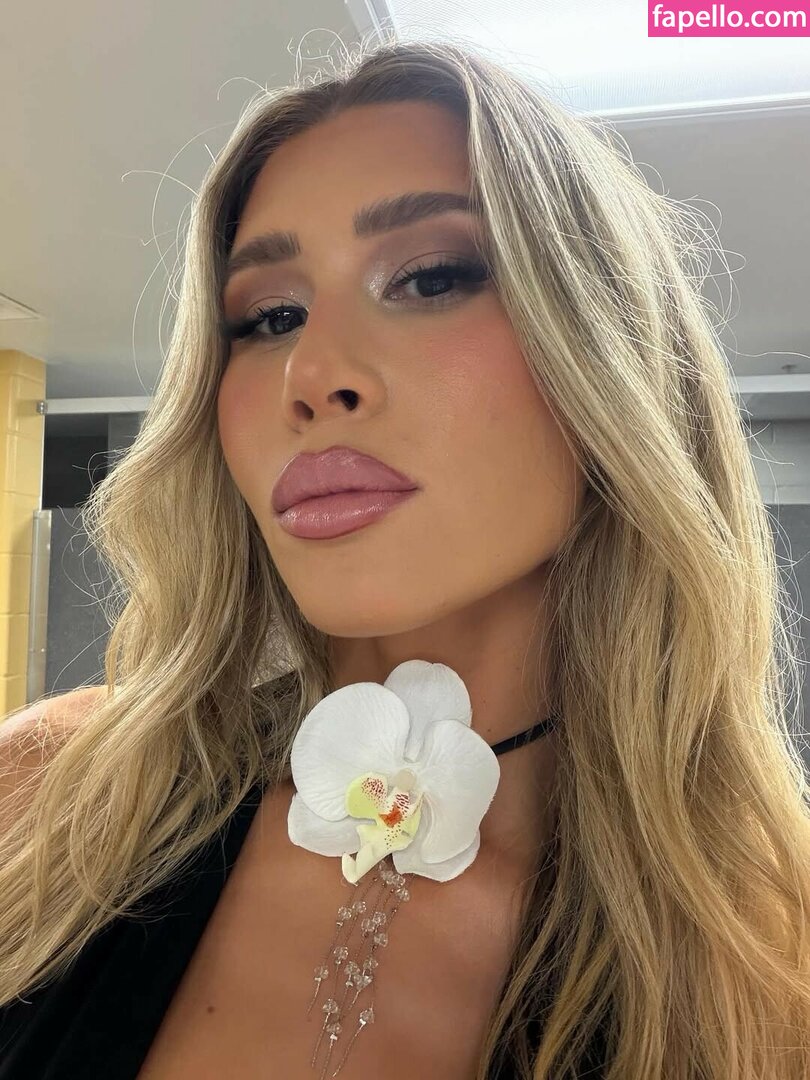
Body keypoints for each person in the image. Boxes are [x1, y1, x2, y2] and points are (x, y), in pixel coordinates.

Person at [0, 33, 808, 1080]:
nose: (311, 373)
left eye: (430, 277)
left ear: (610, 356)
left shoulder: (769, 962)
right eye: (270, 316)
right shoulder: (51, 797)